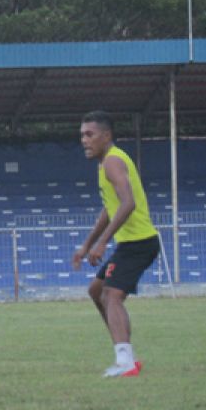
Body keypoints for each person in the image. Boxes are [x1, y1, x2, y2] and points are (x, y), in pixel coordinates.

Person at [71, 111, 161, 377]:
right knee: (96, 290)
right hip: (131, 243)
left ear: (106, 135)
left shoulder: (112, 161)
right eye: (82, 135)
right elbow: (110, 209)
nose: (84, 140)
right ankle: (125, 354)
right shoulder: (105, 164)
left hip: (139, 242)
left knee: (111, 295)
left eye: (90, 134)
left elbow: (128, 203)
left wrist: (102, 243)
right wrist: (88, 244)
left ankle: (125, 362)